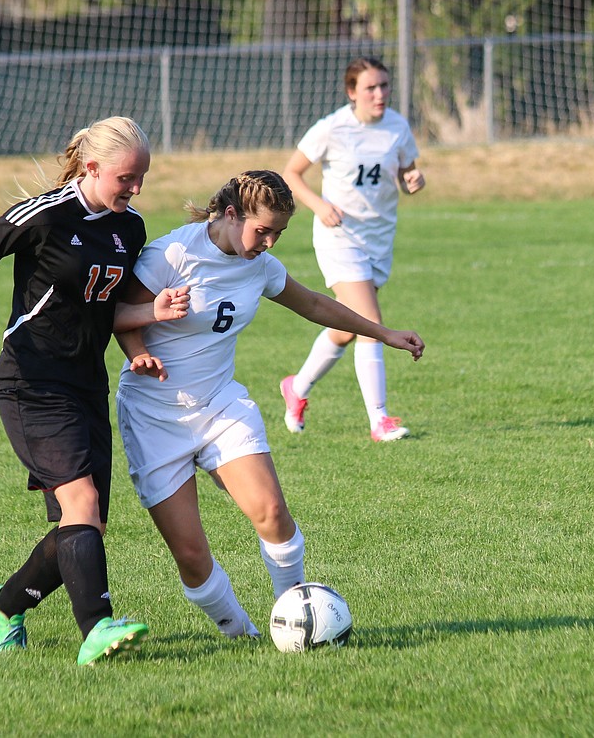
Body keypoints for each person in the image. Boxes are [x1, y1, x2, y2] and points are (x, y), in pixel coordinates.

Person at [113, 170, 424, 639]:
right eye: (263, 230)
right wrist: (139, 353)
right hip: (155, 414)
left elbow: (315, 305)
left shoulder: (258, 264)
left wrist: (383, 333)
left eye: (279, 232)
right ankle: (242, 634)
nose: (270, 242)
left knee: (273, 514)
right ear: (231, 214)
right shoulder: (172, 253)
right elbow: (118, 314)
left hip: (219, 404)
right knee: (193, 556)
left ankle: (298, 616)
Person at [0, 116, 191, 665]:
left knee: (85, 520)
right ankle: (96, 629)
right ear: (92, 167)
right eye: (127, 177)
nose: (136, 188)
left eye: (142, 177)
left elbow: (106, 308)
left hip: (86, 382)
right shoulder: (45, 214)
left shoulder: (130, 228)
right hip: (33, 379)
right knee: (82, 503)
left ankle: (4, 605)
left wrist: (145, 325)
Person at [279, 55, 427, 442]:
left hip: (378, 238)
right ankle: (380, 420)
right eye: (370, 88)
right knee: (371, 324)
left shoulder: (397, 126)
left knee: (347, 329)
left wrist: (412, 179)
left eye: (384, 86)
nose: (380, 94)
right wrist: (320, 205)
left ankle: (297, 387)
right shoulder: (331, 129)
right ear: (351, 93)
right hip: (339, 237)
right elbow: (291, 173)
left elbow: (405, 169)